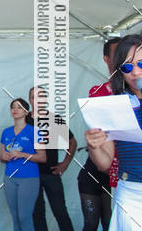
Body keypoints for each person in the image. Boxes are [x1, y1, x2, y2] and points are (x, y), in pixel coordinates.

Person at [85, 34, 142, 231]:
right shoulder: (114, 106)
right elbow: (104, 163)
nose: (135, 72)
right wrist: (94, 145)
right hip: (131, 194)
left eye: (141, 64)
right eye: (127, 67)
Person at [79, 37, 120, 231]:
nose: (123, 59)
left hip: (130, 174)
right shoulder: (98, 93)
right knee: (94, 222)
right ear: (106, 59)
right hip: (106, 170)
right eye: (118, 54)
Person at [26, 87, 76, 231]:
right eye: (34, 97)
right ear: (30, 100)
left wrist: (65, 164)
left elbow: (72, 142)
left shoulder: (55, 119)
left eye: (41, 96)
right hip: (31, 175)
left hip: (51, 173)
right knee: (37, 214)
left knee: (60, 212)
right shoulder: (24, 120)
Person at [1, 98, 47, 231]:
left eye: (19, 107)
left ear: (26, 112)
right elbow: (1, 156)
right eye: (13, 107)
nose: (15, 109)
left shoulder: (35, 131)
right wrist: (5, 156)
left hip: (29, 178)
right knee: (15, 218)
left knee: (24, 217)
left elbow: (43, 157)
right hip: (10, 177)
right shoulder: (6, 132)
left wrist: (23, 155)